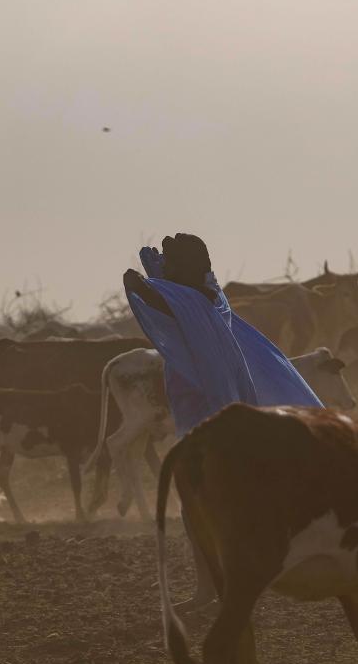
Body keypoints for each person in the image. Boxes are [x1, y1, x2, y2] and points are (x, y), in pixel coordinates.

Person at [122, 233, 323, 608]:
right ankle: (227, 583)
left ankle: (219, 586)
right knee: (213, 504)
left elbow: (138, 287)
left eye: (172, 260)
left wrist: (149, 272)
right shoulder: (211, 296)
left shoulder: (191, 303)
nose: (165, 263)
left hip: (208, 417)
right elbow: (164, 288)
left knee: (204, 505)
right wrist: (162, 267)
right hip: (213, 414)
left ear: (183, 268)